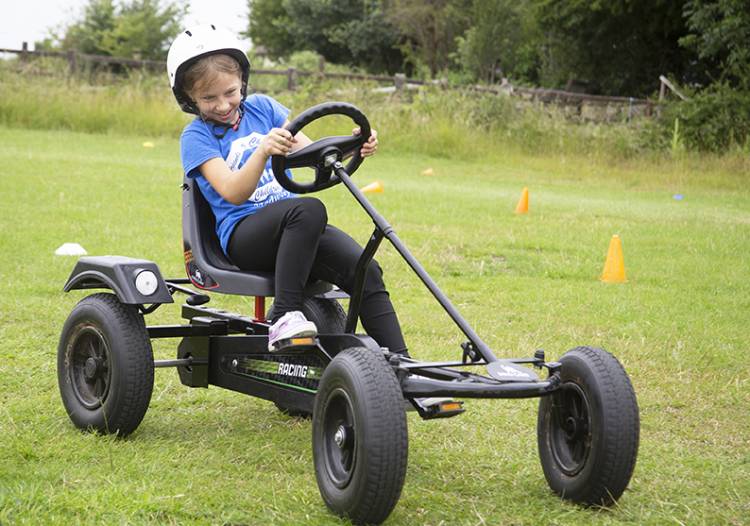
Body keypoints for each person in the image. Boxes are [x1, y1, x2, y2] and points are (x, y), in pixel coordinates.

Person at [167, 24, 408, 354]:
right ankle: (283, 316)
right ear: (189, 98)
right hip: (243, 236)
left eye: (230, 92)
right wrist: (262, 151)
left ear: (242, 82)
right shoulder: (196, 137)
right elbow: (233, 192)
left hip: (296, 228)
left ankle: (402, 366)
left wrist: (355, 145)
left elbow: (312, 154)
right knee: (308, 210)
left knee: (365, 270)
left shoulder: (263, 108)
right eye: (209, 98)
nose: (223, 105)